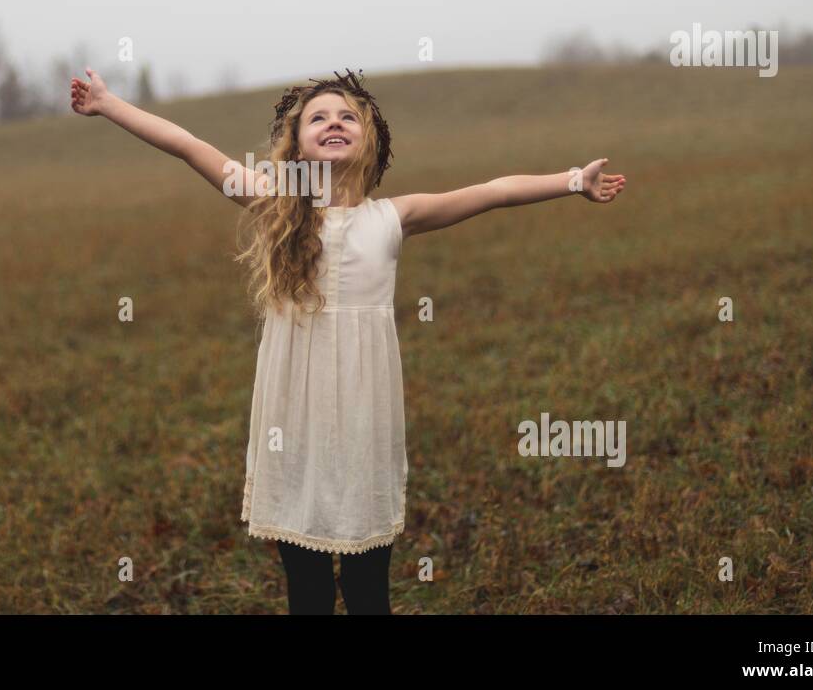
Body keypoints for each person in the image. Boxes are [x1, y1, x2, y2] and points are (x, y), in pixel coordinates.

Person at [70, 66, 625, 614]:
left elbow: (490, 192)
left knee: (367, 588)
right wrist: (108, 103)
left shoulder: (393, 217)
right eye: (318, 117)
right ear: (297, 143)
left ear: (369, 139)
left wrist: (573, 181)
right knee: (307, 590)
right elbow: (189, 145)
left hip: (365, 413)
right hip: (294, 415)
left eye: (347, 116)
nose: (334, 122)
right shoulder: (275, 202)